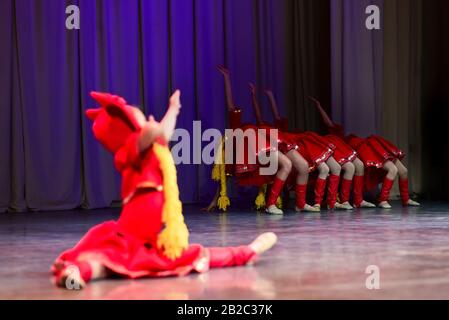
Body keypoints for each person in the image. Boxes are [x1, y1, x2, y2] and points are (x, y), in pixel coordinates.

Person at [51, 91, 278, 289]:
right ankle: (75, 274)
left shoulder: (154, 150)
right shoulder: (129, 149)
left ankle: (248, 251)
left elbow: (162, 135)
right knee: (103, 263)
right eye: (137, 115)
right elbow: (154, 133)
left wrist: (173, 108)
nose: (145, 118)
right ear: (126, 126)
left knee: (194, 254)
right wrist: (151, 126)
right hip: (130, 236)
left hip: (151, 240)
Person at [310, 97, 420, 209]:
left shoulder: (341, 133)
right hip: (362, 147)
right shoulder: (335, 138)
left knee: (404, 171)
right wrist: (319, 106)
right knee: (392, 169)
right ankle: (381, 200)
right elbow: (327, 122)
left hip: (369, 145)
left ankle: (405, 199)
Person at [263, 90, 342, 211]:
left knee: (304, 166)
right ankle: (271, 204)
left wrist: (271, 98)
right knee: (288, 165)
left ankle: (301, 204)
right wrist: (269, 97)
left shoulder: (283, 131)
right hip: (268, 141)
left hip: (286, 142)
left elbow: (277, 116)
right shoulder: (266, 130)